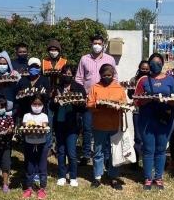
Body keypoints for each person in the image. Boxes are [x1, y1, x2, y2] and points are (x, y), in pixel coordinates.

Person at [134, 54, 174, 191]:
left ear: (163, 64)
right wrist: (146, 100)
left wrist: (169, 101)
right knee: (148, 149)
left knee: (160, 150)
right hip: (146, 119)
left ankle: (158, 178)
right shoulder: (143, 80)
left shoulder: (170, 80)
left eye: (158, 62)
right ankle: (148, 178)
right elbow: (136, 100)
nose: (155, 64)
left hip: (164, 119)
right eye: (152, 62)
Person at [75, 35, 118, 166]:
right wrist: (83, 95)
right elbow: (78, 78)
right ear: (91, 44)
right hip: (89, 100)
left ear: (103, 44)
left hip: (105, 102)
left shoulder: (110, 59)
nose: (97, 45)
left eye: (99, 43)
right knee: (87, 128)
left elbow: (115, 78)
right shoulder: (84, 59)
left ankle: (105, 156)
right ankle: (86, 154)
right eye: (95, 43)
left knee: (104, 129)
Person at [87, 64, 127, 190]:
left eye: (109, 75)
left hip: (114, 124)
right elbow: (89, 104)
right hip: (99, 125)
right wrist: (98, 105)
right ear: (100, 75)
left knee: (114, 153)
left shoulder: (119, 88)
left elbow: (124, 103)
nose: (107, 77)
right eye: (104, 75)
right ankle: (97, 177)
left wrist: (118, 106)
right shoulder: (95, 87)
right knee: (98, 152)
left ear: (113, 75)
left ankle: (113, 178)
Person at [51, 64, 86, 187]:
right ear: (61, 74)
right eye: (64, 74)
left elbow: (83, 106)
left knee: (71, 152)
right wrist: (54, 102)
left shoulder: (79, 88)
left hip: (73, 124)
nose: (66, 76)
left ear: (73, 75)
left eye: (69, 74)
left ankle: (73, 176)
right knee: (61, 151)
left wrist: (76, 103)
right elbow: (51, 106)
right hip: (60, 122)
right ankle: (61, 175)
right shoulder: (57, 88)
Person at [21, 94, 49, 199]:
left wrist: (38, 129)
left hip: (42, 145)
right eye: (35, 104)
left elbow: (43, 131)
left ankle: (42, 189)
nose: (37, 106)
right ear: (31, 104)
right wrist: (30, 130)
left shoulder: (44, 116)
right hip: (29, 145)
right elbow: (26, 132)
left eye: (39, 104)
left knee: (42, 168)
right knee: (30, 167)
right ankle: (29, 188)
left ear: (43, 105)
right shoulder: (27, 116)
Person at [43, 39, 67, 154]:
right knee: (48, 122)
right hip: (47, 96)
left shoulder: (64, 62)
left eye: (55, 50)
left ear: (59, 51)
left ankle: (59, 146)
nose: (53, 52)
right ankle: (48, 147)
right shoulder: (44, 62)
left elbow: (67, 78)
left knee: (60, 122)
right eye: (51, 50)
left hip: (60, 96)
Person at [128, 60, 150, 169]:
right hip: (137, 111)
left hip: (150, 112)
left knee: (148, 138)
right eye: (143, 69)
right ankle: (135, 161)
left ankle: (147, 161)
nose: (145, 71)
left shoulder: (152, 80)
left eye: (147, 69)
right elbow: (129, 95)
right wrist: (132, 91)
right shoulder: (133, 80)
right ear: (139, 68)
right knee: (138, 138)